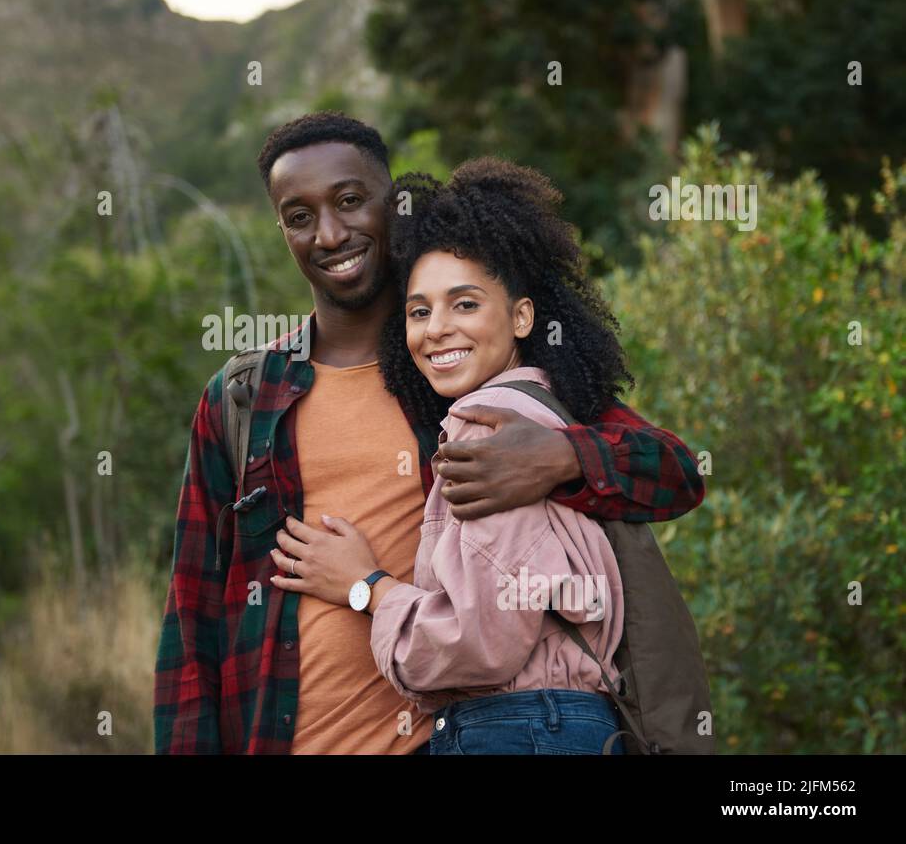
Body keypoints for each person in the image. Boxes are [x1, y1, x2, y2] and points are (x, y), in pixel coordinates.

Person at [153, 112, 703, 754]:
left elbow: (674, 473)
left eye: (351, 201)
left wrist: (561, 457)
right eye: (299, 216)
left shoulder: (466, 375)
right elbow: (193, 624)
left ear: (393, 205)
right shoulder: (244, 399)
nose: (330, 234)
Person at [271, 159, 640, 753]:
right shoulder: (551, 413)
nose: (437, 328)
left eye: (465, 304)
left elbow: (477, 643)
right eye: (419, 311)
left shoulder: (489, 430)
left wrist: (365, 586)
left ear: (522, 316)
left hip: (515, 730)